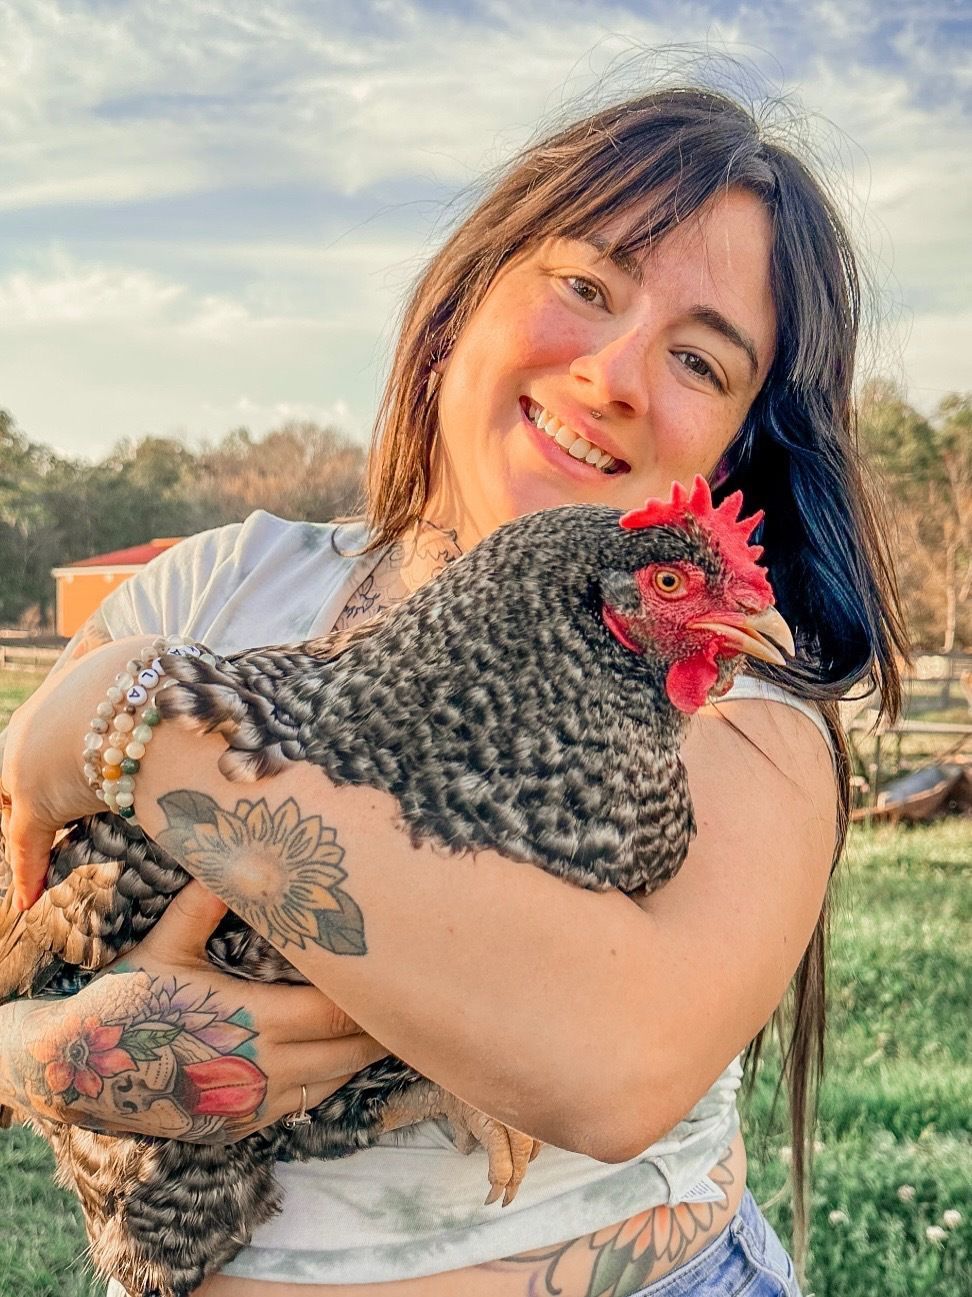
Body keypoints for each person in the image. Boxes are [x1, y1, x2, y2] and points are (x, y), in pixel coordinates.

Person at [0, 85, 905, 1297]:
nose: (616, 372)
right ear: (467, 296)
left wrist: (139, 724)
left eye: (700, 357)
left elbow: (615, 1064)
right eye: (587, 285)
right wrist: (44, 1058)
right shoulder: (212, 587)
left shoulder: (741, 714)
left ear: (734, 445)